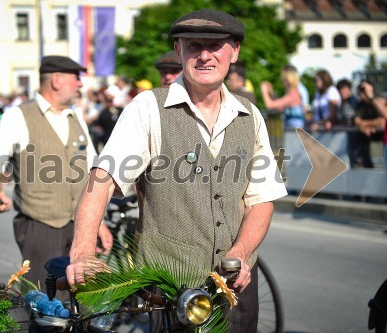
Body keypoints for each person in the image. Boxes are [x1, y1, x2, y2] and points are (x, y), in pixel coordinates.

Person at [67, 9, 287, 333]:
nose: (205, 56)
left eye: (216, 46)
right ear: (179, 51)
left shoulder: (250, 116)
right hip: (171, 289)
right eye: (194, 45)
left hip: (237, 291)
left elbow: (261, 199)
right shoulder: (147, 108)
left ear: (235, 51)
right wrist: (83, 250)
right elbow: (102, 178)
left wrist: (241, 251)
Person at [0, 55, 113, 293]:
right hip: (39, 225)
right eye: (76, 78)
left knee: (82, 301)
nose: (80, 85)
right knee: (43, 300)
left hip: (79, 225)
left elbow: (93, 175)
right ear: (56, 80)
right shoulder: (18, 116)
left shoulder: (76, 119)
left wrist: (99, 224)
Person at [353, 80, 386, 168]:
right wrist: (364, 128)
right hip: (369, 141)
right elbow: (357, 121)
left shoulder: (379, 99)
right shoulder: (361, 104)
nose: (362, 92)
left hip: (382, 139)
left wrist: (370, 96)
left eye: (364, 89)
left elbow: (383, 119)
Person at [336, 79, 360, 166]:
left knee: (359, 163)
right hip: (347, 139)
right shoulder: (342, 103)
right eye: (340, 90)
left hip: (357, 139)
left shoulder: (355, 102)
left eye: (344, 89)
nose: (341, 92)